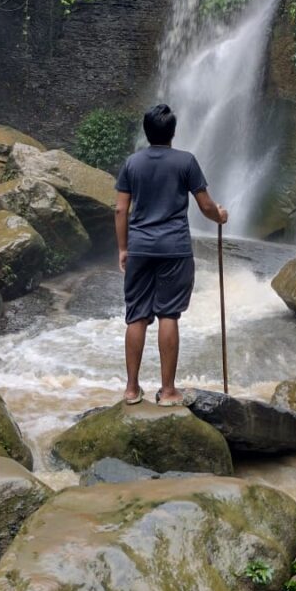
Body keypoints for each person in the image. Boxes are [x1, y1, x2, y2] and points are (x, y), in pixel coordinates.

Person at [114, 104, 228, 407]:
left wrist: (123, 248)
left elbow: (120, 209)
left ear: (146, 131)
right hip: (174, 248)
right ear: (173, 133)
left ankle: (131, 389)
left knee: (136, 315)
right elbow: (205, 205)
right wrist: (219, 215)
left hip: (139, 247)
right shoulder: (186, 162)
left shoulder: (132, 163)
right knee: (168, 315)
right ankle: (167, 391)